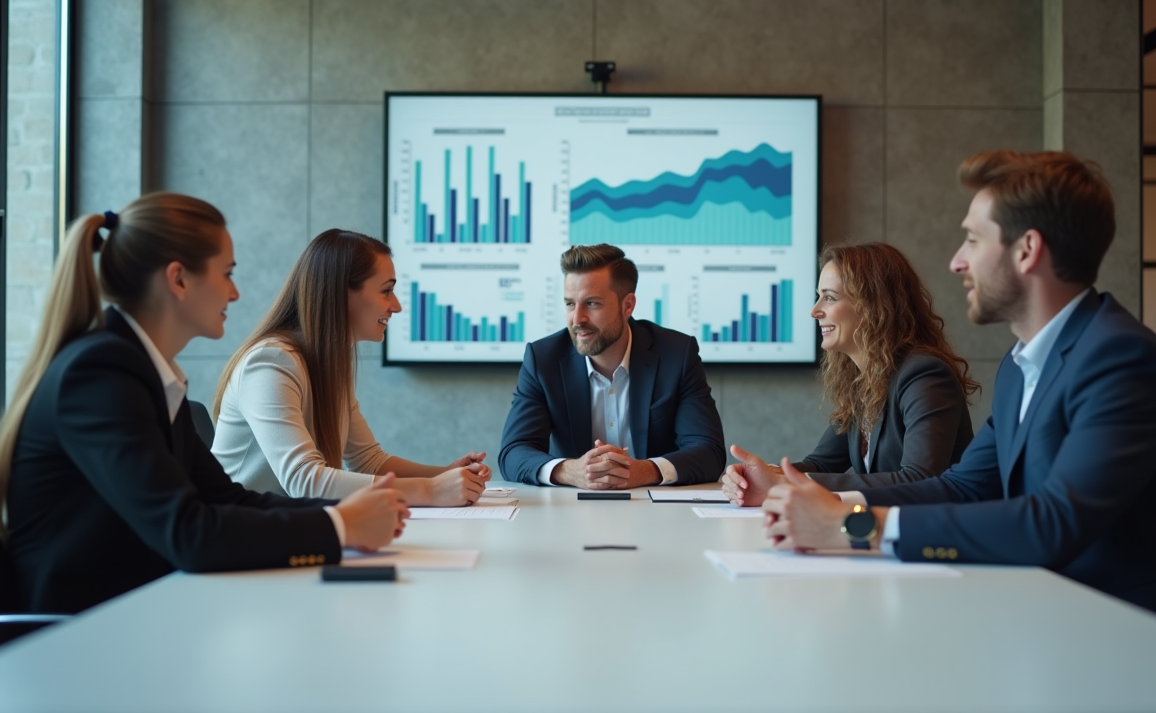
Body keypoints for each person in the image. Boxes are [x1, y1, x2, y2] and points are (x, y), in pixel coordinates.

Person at [762, 150, 1156, 624]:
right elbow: (963, 487)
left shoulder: (1120, 359)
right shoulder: (1020, 366)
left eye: (972, 239)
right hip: (1047, 612)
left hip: (1131, 634)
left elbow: (1052, 523)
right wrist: (824, 504)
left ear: (1027, 250)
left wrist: (851, 526)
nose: (956, 262)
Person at [0, 195, 408, 614]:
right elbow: (188, 533)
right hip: (72, 632)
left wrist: (347, 514)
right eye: (227, 274)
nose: (235, 292)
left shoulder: (145, 370)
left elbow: (227, 499)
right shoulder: (100, 373)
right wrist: (340, 525)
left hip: (128, 612)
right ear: (178, 280)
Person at [212, 230, 491, 506]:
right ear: (341, 294)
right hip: (237, 536)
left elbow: (369, 461)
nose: (396, 306)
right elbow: (304, 481)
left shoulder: (327, 364)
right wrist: (430, 490)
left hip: (282, 531)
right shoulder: (270, 363)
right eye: (386, 291)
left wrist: (447, 475)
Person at [722, 243, 977, 505]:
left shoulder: (923, 374)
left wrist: (785, 483)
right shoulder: (863, 379)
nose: (815, 311)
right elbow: (821, 464)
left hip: (933, 535)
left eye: (830, 298)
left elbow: (920, 478)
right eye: (818, 296)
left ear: (873, 306)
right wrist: (760, 476)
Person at [498, 244, 725, 488]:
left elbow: (709, 452)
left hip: (657, 512)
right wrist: (570, 471)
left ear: (627, 306)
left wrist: (645, 471)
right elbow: (513, 452)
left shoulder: (676, 354)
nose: (577, 319)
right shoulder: (543, 359)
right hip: (569, 512)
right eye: (570, 304)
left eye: (592, 304)